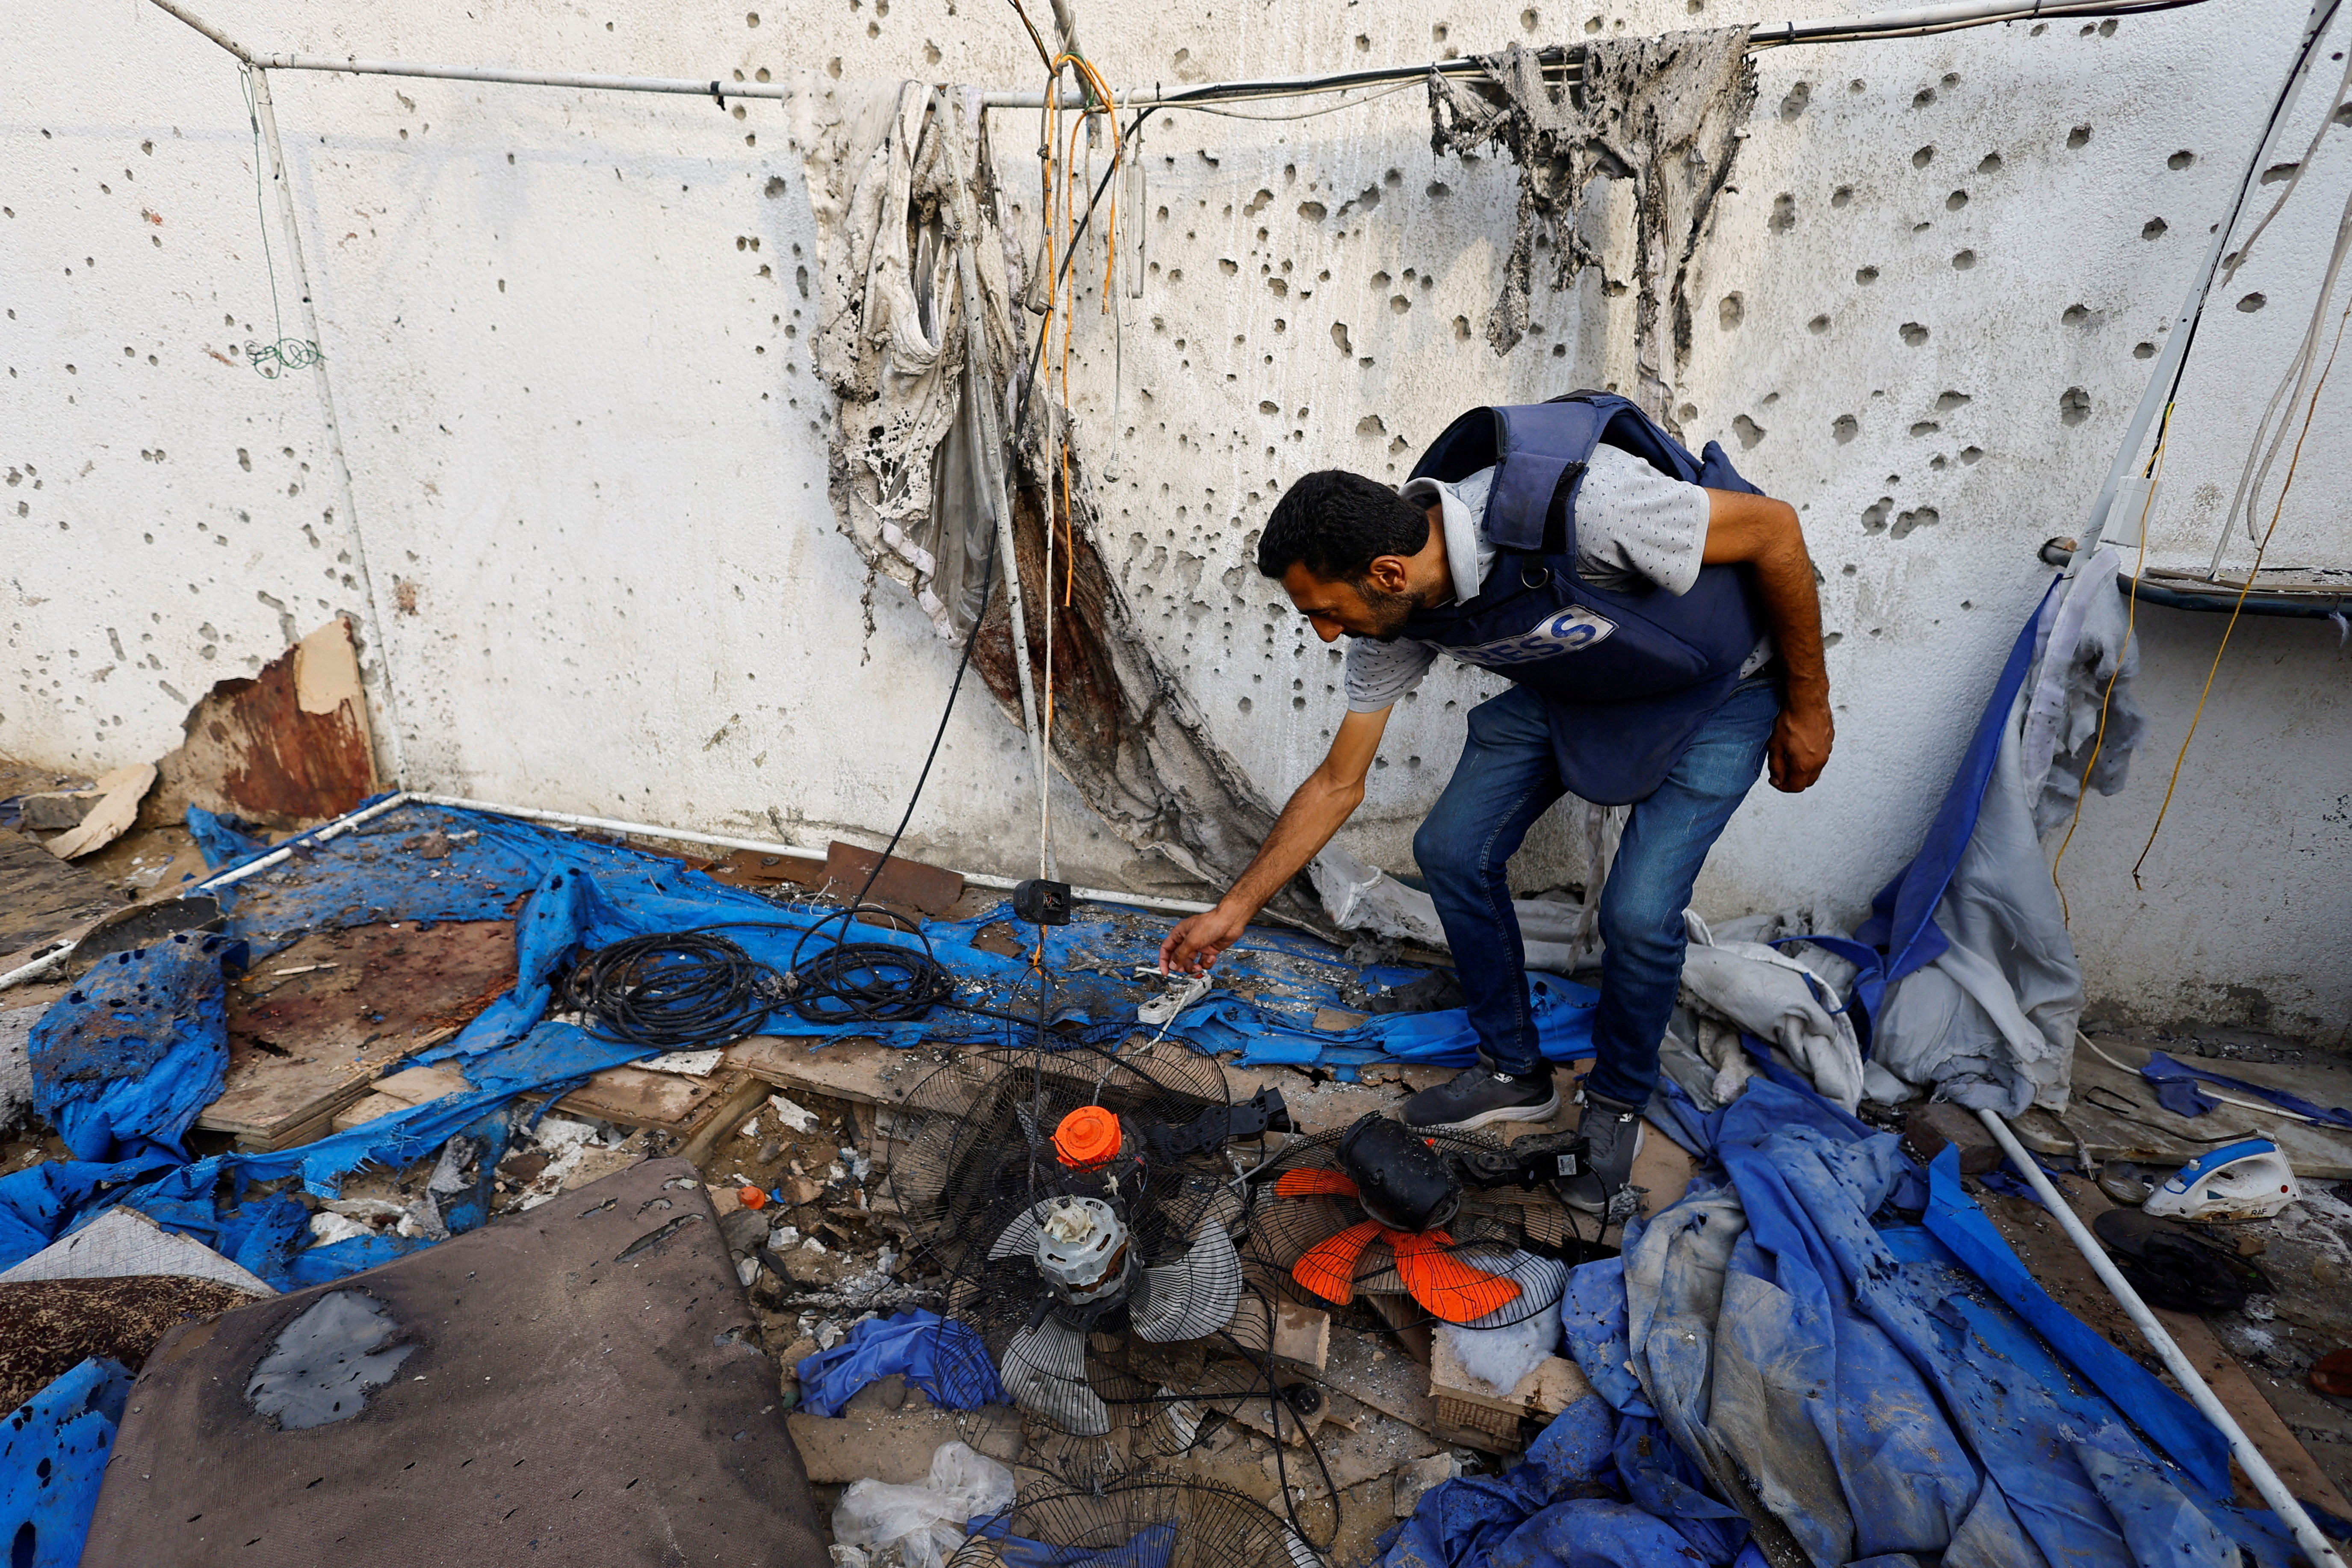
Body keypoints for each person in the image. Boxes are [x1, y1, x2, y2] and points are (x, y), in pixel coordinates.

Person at [1158, 395, 1832, 1217]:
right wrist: (1235, 909)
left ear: (1388, 573)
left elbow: (1775, 531)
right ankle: (1514, 1069)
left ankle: (1618, 1099)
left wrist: (1809, 703)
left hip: (1724, 686)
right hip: (1582, 681)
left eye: (1326, 613)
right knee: (1451, 848)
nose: (1328, 635)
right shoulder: (1399, 615)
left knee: (1637, 913)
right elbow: (1339, 780)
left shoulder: (1588, 506)